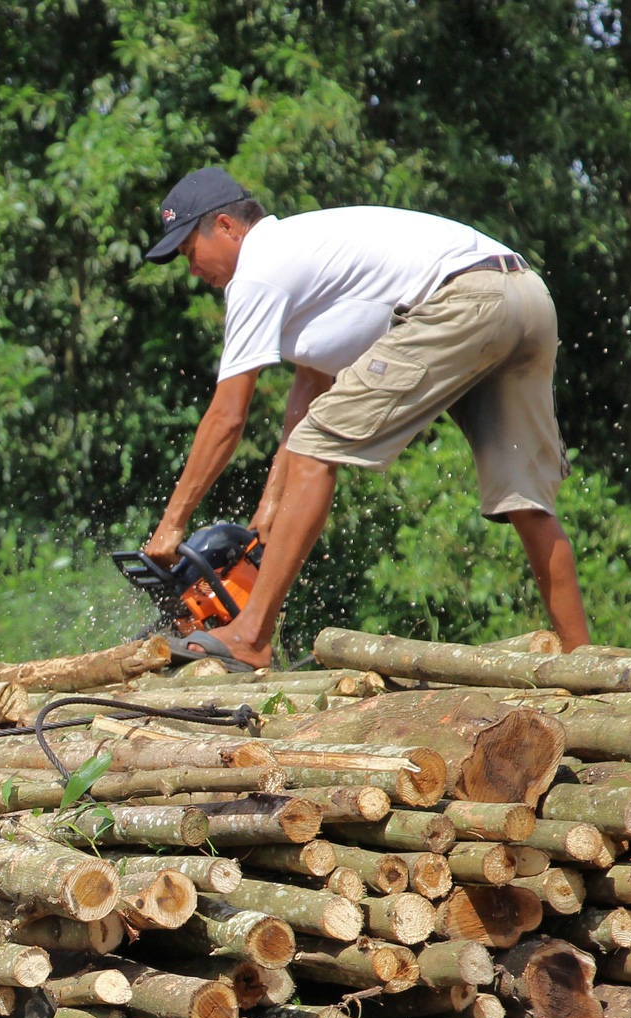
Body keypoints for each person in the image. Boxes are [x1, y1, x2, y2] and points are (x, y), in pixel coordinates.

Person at [139, 167, 591, 669]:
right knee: (524, 500)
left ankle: (250, 635)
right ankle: (583, 663)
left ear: (226, 226)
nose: (192, 269)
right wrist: (269, 508)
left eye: (189, 252)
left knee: (316, 448)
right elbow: (311, 386)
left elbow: (228, 416)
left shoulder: (258, 269)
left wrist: (171, 525)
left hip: (464, 300)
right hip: (524, 293)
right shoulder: (307, 249)